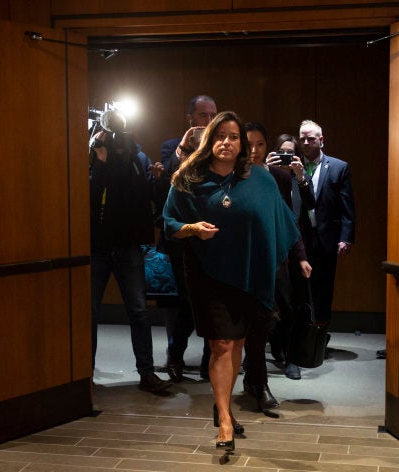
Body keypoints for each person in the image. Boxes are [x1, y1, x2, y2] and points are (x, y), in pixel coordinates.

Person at [163, 111, 300, 451]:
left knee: (236, 342)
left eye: (234, 137)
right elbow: (168, 222)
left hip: (249, 274)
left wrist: (280, 261)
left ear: (242, 145)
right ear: (210, 141)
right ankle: (224, 419)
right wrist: (193, 228)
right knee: (221, 344)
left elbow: (280, 223)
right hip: (207, 274)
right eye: (220, 135)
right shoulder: (189, 179)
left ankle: (223, 406)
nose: (227, 142)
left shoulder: (261, 180)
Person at [89, 110, 172, 394]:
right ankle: (82, 376)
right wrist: (99, 161)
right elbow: (87, 194)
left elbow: (147, 196)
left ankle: (146, 373)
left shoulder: (139, 160)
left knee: (139, 311)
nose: (118, 140)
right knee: (90, 312)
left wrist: (158, 180)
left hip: (127, 246)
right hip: (96, 246)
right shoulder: (95, 155)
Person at [269, 120, 355, 380]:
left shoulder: (337, 167)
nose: (306, 143)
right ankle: (288, 350)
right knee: (293, 298)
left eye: (311, 138)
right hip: (294, 239)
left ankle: (314, 344)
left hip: (324, 240)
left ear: (321, 138)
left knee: (321, 294)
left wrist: (346, 237)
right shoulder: (283, 170)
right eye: (302, 139)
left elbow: (346, 205)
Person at [243, 123, 312, 403]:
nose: (255, 151)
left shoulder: (280, 178)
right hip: (246, 257)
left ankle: (266, 367)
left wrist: (301, 255)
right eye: (249, 145)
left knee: (281, 310)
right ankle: (258, 380)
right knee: (254, 318)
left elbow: (288, 219)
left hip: (275, 256)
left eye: (260, 144)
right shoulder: (234, 176)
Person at [156, 95, 217, 382]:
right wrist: (184, 147)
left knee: (209, 304)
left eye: (212, 115)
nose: (208, 120)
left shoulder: (219, 149)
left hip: (211, 239)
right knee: (182, 306)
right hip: (180, 239)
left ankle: (209, 363)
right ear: (190, 118)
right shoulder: (173, 146)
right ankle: (175, 358)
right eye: (203, 115)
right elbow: (169, 177)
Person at [266, 133, 317, 380]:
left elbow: (308, 205)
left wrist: (299, 175)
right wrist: (267, 168)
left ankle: (289, 354)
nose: (285, 157)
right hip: (270, 246)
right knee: (269, 302)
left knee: (291, 303)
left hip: (294, 245)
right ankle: (276, 348)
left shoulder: (298, 177)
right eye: (281, 152)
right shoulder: (268, 175)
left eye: (291, 153)